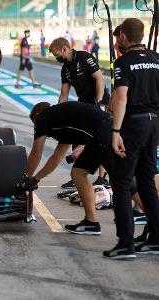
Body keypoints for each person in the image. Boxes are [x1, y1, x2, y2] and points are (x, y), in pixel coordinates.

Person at [104, 18, 159, 259]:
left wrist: (115, 132)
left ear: (124, 37)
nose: (117, 41)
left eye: (118, 37)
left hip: (134, 123)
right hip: (155, 123)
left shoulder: (122, 62)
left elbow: (122, 98)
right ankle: (156, 238)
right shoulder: (157, 59)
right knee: (147, 181)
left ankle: (125, 243)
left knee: (122, 181)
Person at [26, 101, 114, 235]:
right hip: (103, 131)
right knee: (78, 172)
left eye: (34, 123)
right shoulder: (63, 122)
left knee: (122, 178)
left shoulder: (43, 117)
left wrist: (25, 178)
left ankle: (148, 214)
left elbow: (36, 153)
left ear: (37, 115)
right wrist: (35, 179)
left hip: (105, 132)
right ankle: (91, 223)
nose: (38, 129)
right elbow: (55, 158)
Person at [49, 37, 109, 189]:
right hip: (83, 103)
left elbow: (99, 79)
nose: (57, 58)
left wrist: (99, 101)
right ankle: (77, 175)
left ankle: (102, 178)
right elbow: (64, 94)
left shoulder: (84, 57)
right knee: (76, 136)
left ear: (64, 48)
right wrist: (57, 114)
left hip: (99, 101)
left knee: (101, 138)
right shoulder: (65, 69)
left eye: (57, 54)